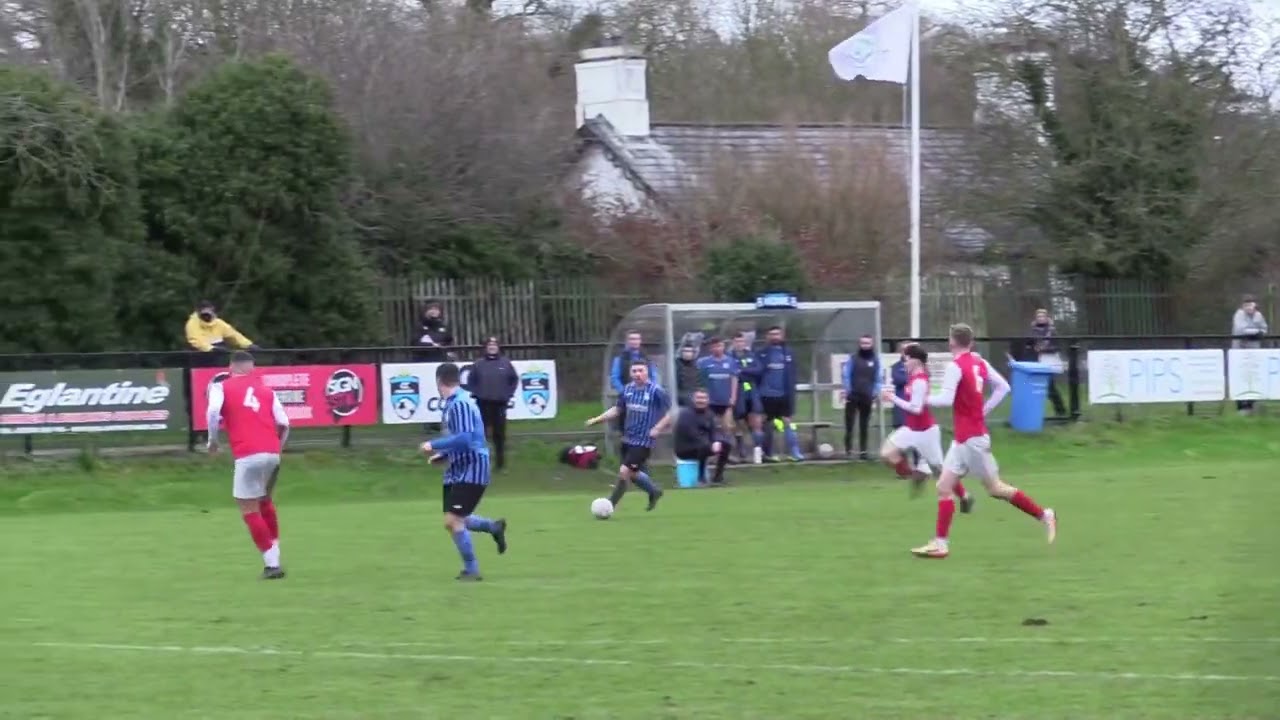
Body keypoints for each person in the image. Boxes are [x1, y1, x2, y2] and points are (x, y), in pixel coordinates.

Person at [912, 323, 1057, 559]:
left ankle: (1045, 515)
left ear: (951, 341)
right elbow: (1003, 387)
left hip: (972, 440)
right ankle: (940, 544)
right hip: (963, 438)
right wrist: (984, 410)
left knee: (995, 488)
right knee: (943, 487)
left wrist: (922, 400)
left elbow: (946, 399)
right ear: (970, 342)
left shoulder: (955, 366)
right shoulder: (979, 362)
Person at [204, 351, 289, 580]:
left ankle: (272, 564)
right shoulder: (267, 391)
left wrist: (213, 441)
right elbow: (284, 422)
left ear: (231, 366)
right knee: (265, 501)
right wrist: (277, 449)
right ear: (252, 368)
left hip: (248, 453)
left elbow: (213, 411)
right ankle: (275, 553)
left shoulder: (221, 387)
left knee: (248, 508)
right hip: (272, 453)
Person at [419, 363, 508, 581]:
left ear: (439, 381)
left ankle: (472, 570)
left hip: (472, 467)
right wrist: (444, 455)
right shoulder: (453, 403)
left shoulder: (460, 403)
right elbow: (462, 438)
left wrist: (434, 444)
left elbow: (466, 438)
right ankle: (493, 527)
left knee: (453, 520)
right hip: (457, 467)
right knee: (459, 517)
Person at [879, 344, 973, 511]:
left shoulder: (920, 381)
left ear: (915, 361)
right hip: (910, 429)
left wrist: (892, 398)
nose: (904, 363)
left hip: (925, 432)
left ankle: (965, 496)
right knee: (886, 453)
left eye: (906, 359)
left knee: (942, 470)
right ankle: (916, 475)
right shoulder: (913, 377)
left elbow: (916, 409)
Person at [584, 359, 672, 513]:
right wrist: (597, 419)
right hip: (628, 438)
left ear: (647, 372)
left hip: (644, 440)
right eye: (634, 371)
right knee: (633, 474)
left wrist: (658, 428)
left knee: (624, 471)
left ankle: (609, 505)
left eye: (641, 370)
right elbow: (617, 410)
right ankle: (654, 491)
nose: (637, 374)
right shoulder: (627, 390)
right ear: (630, 373)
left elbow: (670, 414)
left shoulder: (656, 391)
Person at [464, 336, 519, 470]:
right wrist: (478, 393)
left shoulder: (506, 363)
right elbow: (471, 381)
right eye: (489, 345)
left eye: (494, 345)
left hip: (500, 404)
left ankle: (500, 464)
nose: (492, 347)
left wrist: (508, 394)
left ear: (498, 347)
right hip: (483, 404)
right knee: (480, 434)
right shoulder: (479, 364)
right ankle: (479, 463)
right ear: (486, 348)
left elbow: (514, 380)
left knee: (499, 435)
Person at [755, 325, 803, 462]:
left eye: (777, 334)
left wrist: (792, 391)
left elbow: (793, 373)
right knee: (767, 424)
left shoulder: (788, 353)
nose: (774, 337)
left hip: (784, 395)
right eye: (772, 334)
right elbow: (756, 373)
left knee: (788, 422)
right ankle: (767, 454)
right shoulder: (761, 353)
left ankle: (795, 452)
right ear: (767, 336)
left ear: (782, 336)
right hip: (766, 395)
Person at [674, 389, 731, 486]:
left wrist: (717, 441)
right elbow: (692, 434)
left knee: (726, 445)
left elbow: (714, 432)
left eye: (704, 398)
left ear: (708, 400)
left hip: (703, 445)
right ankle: (701, 478)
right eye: (699, 398)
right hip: (685, 448)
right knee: (704, 447)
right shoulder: (686, 414)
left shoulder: (709, 414)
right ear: (693, 399)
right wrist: (710, 445)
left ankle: (718, 477)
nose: (701, 400)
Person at [841, 335, 880, 460]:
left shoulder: (875, 360)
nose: (865, 345)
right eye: (863, 343)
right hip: (853, 395)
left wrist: (874, 392)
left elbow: (878, 378)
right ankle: (848, 451)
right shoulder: (853, 358)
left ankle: (863, 451)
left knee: (864, 425)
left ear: (872, 344)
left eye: (867, 343)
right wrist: (848, 390)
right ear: (859, 344)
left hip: (867, 396)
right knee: (849, 424)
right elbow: (846, 375)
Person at [730, 332, 764, 463]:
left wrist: (742, 370)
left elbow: (758, 370)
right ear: (733, 343)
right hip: (737, 389)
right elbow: (732, 372)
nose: (740, 344)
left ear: (745, 343)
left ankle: (758, 452)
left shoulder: (751, 355)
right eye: (737, 341)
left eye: (742, 341)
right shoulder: (729, 356)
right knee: (738, 420)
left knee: (756, 419)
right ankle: (741, 451)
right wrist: (744, 371)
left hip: (751, 388)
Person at [1232, 295, 1269, 414]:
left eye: (1251, 304)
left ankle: (1251, 404)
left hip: (1254, 351)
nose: (1249, 307)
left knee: (1254, 377)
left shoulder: (1258, 315)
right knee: (1241, 377)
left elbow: (1264, 328)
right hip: (1240, 352)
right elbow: (1241, 330)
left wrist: (1259, 333)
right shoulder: (1239, 315)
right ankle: (1241, 406)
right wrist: (1256, 332)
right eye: (1246, 305)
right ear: (1243, 306)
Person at [1029, 309, 1068, 417]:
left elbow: (1058, 346)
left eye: (1043, 316)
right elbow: (1029, 345)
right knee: (1038, 387)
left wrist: (1044, 349)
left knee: (1050, 386)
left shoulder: (1052, 331)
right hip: (1037, 360)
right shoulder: (1033, 331)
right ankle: (1034, 413)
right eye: (1038, 316)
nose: (1040, 318)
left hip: (1049, 360)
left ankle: (1061, 411)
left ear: (1046, 318)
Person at [696, 336, 738, 434]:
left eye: (719, 346)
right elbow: (700, 381)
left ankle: (727, 443)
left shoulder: (731, 361)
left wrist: (733, 397)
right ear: (711, 348)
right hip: (710, 402)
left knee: (727, 428)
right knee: (711, 427)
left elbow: (734, 379)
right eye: (714, 346)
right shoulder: (704, 362)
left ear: (723, 346)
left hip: (726, 401)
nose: (717, 348)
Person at [186, 300, 257, 358]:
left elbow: (234, 335)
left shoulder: (219, 323)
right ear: (198, 312)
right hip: (200, 355)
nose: (206, 316)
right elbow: (196, 341)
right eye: (204, 313)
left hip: (219, 354)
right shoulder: (192, 324)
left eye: (209, 313)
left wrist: (249, 345)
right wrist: (211, 349)